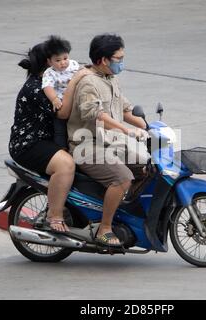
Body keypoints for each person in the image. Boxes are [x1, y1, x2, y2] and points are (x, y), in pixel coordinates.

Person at [67, 33, 149, 247]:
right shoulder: (88, 83)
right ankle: (105, 228)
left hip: (111, 142)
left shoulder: (111, 78)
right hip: (87, 146)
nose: (122, 63)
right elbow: (95, 114)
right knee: (122, 178)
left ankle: (121, 210)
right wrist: (125, 130)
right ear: (104, 60)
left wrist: (147, 126)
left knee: (148, 167)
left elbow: (125, 109)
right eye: (119, 59)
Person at [8, 40, 89, 233]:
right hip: (29, 145)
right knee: (66, 165)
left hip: (51, 139)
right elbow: (62, 112)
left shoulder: (56, 80)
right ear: (49, 63)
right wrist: (76, 81)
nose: (64, 64)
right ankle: (54, 216)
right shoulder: (38, 88)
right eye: (57, 60)